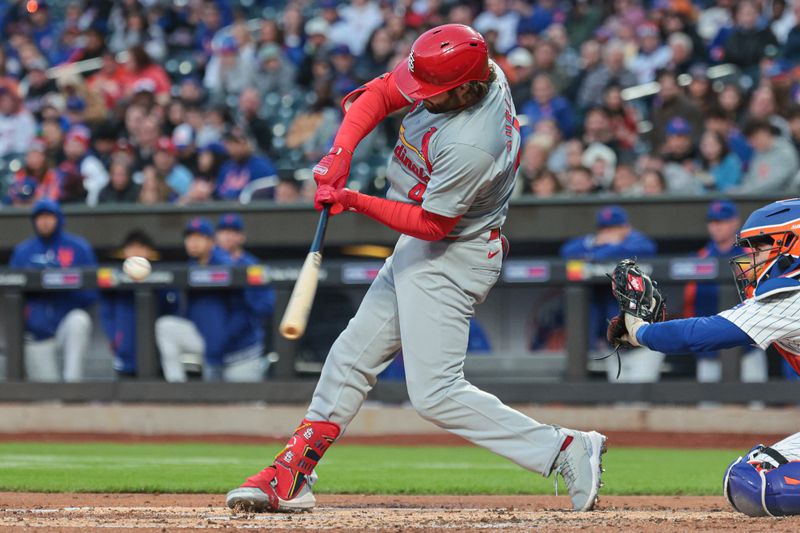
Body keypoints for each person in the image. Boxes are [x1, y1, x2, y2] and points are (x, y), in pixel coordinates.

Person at [226, 24, 606, 514]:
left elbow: (431, 223)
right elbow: (380, 93)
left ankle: (564, 448)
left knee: (434, 393)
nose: (420, 99)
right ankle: (292, 473)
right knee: (350, 356)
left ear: (468, 90)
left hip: (455, 252)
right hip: (427, 243)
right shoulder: (473, 70)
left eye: (435, 94)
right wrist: (339, 152)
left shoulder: (474, 140)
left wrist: (351, 200)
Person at [606, 198, 800, 517]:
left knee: (752, 482)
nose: (751, 258)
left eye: (760, 248)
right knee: (755, 469)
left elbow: (699, 334)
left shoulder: (787, 300)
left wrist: (639, 330)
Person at [155, 218, 272, 382]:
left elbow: (257, 309)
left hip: (240, 352)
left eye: (199, 237)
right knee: (166, 326)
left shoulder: (233, 266)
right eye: (190, 237)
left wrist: (220, 343)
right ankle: (177, 388)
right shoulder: (190, 267)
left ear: (211, 241)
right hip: (210, 345)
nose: (193, 242)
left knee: (245, 404)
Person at [9, 200, 97, 382]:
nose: (44, 222)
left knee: (79, 320)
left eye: (49, 217)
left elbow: (92, 292)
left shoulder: (78, 247)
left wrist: (61, 287)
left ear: (59, 218)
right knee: (48, 397)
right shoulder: (23, 251)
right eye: (40, 217)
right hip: (37, 333)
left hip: (65, 324)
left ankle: (74, 384)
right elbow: (12, 293)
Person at [682, 201, 766, 383]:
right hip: (709, 341)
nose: (716, 227)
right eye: (713, 222)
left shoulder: (750, 255)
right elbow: (690, 300)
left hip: (747, 341)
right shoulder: (700, 257)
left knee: (756, 400)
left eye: (722, 221)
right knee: (708, 403)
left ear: (735, 222)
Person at [100, 231, 177, 378]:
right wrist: (115, 338)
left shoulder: (163, 277)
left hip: (156, 354)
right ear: (124, 252)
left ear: (149, 251)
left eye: (141, 247)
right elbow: (106, 313)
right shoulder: (114, 278)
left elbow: (173, 308)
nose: (136, 251)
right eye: (131, 247)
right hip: (125, 353)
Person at [215, 126, 278, 201]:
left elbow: (269, 192)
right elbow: (219, 192)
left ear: (249, 143)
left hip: (251, 211)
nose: (234, 147)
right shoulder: (225, 167)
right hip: (225, 210)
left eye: (238, 142)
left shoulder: (262, 166)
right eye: (231, 143)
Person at [740, 119, 800, 194]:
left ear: (765, 132)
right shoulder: (758, 153)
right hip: (756, 198)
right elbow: (750, 179)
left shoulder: (784, 152)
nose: (752, 144)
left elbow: (773, 183)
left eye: (754, 139)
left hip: (778, 200)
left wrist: (743, 192)